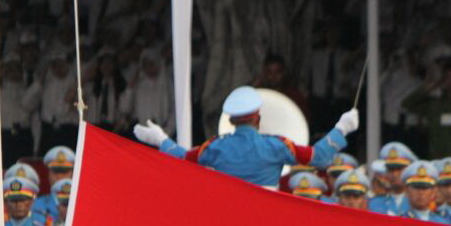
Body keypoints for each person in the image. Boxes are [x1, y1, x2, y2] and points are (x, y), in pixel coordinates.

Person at [133, 86, 358, 188]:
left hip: (227, 221)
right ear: (258, 118)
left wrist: (160, 138)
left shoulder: (215, 147)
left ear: (230, 121)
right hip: (268, 222)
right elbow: (317, 157)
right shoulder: (277, 146)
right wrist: (342, 128)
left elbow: (182, 158)